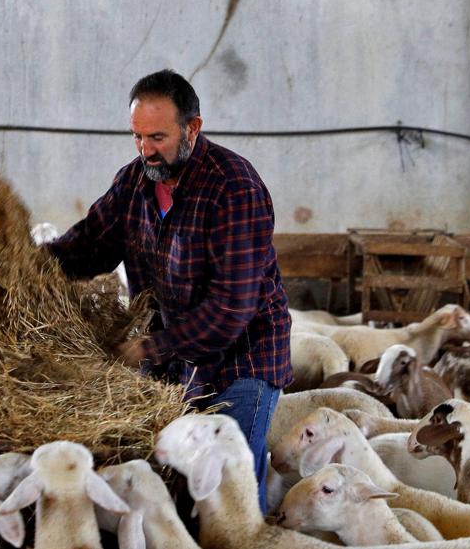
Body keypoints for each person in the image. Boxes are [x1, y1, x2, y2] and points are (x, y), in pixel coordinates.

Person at [45, 69, 292, 511]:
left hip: (242, 358)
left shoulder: (233, 187)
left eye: (157, 136)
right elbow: (91, 244)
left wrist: (150, 348)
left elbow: (232, 308)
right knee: (172, 478)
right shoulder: (134, 183)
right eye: (137, 136)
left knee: (225, 488)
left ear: (192, 128)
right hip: (173, 357)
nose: (145, 149)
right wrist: (33, 263)